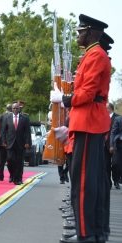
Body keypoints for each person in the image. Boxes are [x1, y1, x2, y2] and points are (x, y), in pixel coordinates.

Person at [51, 14, 111, 243]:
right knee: (89, 180)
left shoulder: (95, 54)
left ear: (92, 33)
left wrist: (64, 99)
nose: (78, 35)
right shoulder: (92, 54)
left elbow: (87, 92)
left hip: (88, 121)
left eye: (81, 31)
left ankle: (87, 233)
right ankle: (93, 231)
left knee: (84, 181)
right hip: (85, 121)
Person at [0, 103, 31, 185]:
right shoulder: (7, 118)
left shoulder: (24, 118)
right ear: (11, 109)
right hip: (10, 143)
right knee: (10, 160)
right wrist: (3, 141)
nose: (15, 110)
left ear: (19, 109)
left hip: (20, 143)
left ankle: (17, 178)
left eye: (17, 108)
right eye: (14, 108)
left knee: (18, 161)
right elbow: (3, 131)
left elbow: (28, 132)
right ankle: (12, 174)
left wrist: (28, 142)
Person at [105, 101, 119, 189]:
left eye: (105, 108)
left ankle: (116, 180)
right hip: (104, 145)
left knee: (116, 163)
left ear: (110, 109)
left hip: (115, 145)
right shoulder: (102, 118)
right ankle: (108, 183)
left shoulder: (118, 118)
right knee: (106, 164)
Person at [0, 104, 12, 181]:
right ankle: (0, 175)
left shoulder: (14, 117)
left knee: (10, 160)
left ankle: (11, 175)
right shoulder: (1, 117)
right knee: (2, 160)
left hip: (11, 142)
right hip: (2, 142)